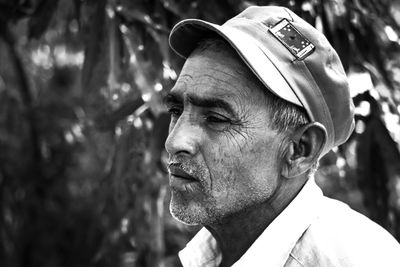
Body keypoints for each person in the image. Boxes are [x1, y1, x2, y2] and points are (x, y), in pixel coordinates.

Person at [164, 5, 400, 267]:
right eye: (176, 110)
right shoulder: (211, 255)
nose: (174, 141)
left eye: (216, 119)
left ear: (300, 150)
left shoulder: (363, 260)